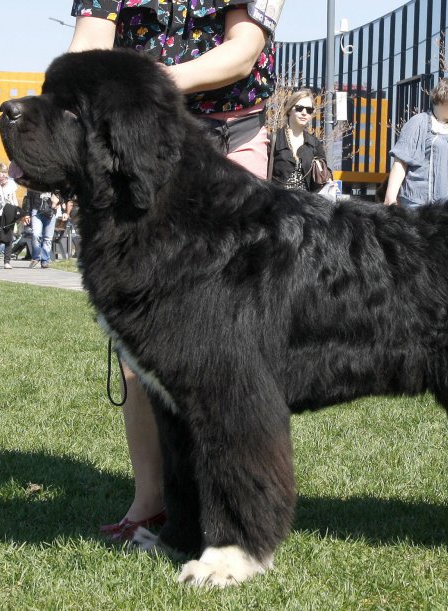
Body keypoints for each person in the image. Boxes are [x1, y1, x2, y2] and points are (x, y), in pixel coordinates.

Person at [68, 0, 282, 541]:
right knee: (141, 350)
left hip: (229, 140)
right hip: (137, 143)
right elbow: (88, 46)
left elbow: (242, 54)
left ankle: (235, 509)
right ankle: (153, 503)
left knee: (226, 348)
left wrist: (141, 85)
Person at [383, 78, 448, 207]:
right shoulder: (418, 123)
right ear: (443, 97)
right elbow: (400, 163)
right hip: (420, 205)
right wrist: (390, 198)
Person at [270, 89, 334, 194]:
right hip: (278, 204)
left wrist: (328, 181)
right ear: (289, 110)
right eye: (299, 108)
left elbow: (323, 175)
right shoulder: (273, 140)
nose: (304, 113)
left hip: (305, 205)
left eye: (309, 110)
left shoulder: (314, 144)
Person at [24, 190, 64, 269]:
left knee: (48, 238)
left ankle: (45, 260)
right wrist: (27, 214)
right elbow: (28, 198)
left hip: (51, 211)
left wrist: (59, 201)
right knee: (36, 234)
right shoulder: (34, 181)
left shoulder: (54, 182)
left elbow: (62, 195)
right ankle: (36, 258)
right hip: (36, 210)